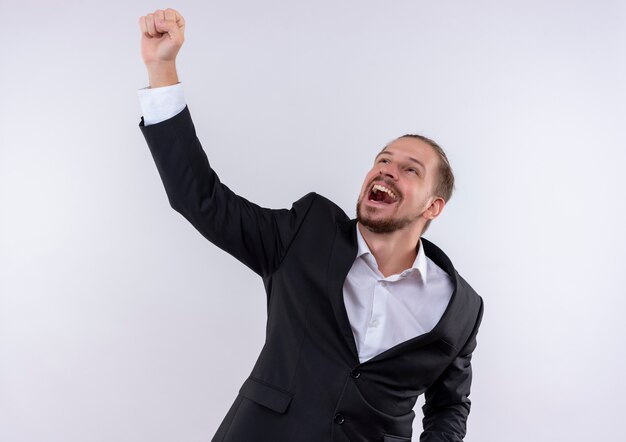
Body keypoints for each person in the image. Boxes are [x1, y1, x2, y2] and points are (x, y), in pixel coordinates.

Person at [137, 8, 484, 442]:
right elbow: (201, 199)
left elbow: (449, 405)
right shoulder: (306, 234)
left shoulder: (462, 308)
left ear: (433, 207)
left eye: (410, 169)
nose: (387, 171)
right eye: (382, 160)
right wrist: (162, 67)